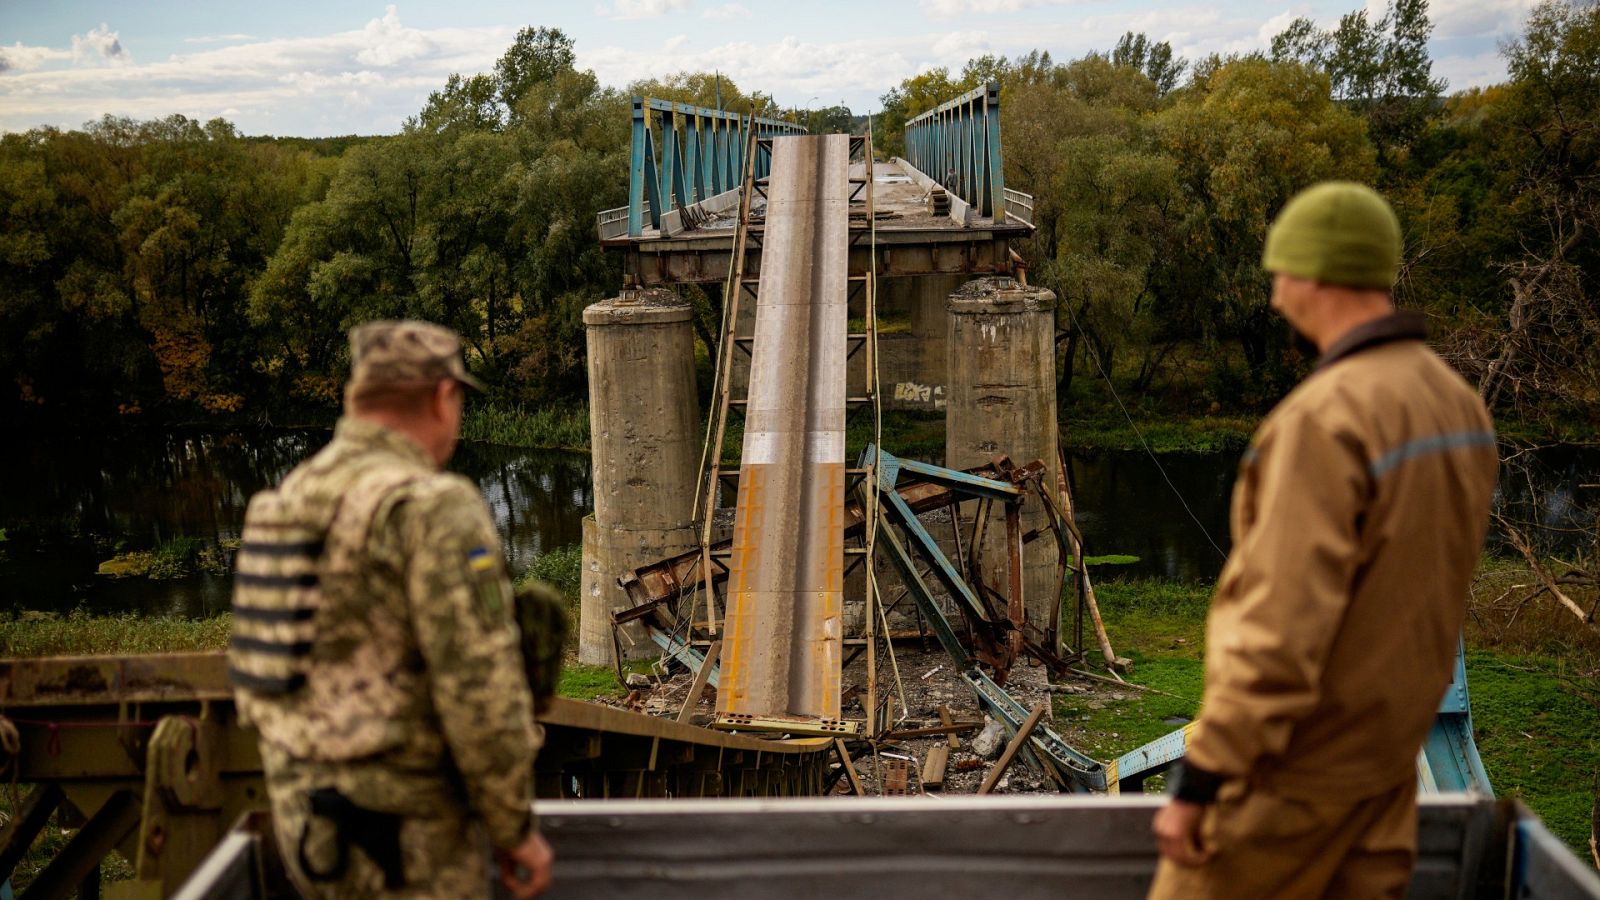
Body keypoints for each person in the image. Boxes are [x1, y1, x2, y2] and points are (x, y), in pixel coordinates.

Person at [1148, 182, 1498, 899]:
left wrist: (1202, 777)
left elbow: (1278, 626)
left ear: (1314, 274)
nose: (1275, 298)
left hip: (1290, 788)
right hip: (1386, 781)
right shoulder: (1455, 404)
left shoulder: (1324, 421)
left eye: (1280, 275)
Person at [229, 320, 552, 898]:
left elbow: (265, 680)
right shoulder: (431, 507)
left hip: (305, 828)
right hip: (406, 839)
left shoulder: (283, 500)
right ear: (444, 396)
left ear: (358, 398)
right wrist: (513, 828)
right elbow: (479, 688)